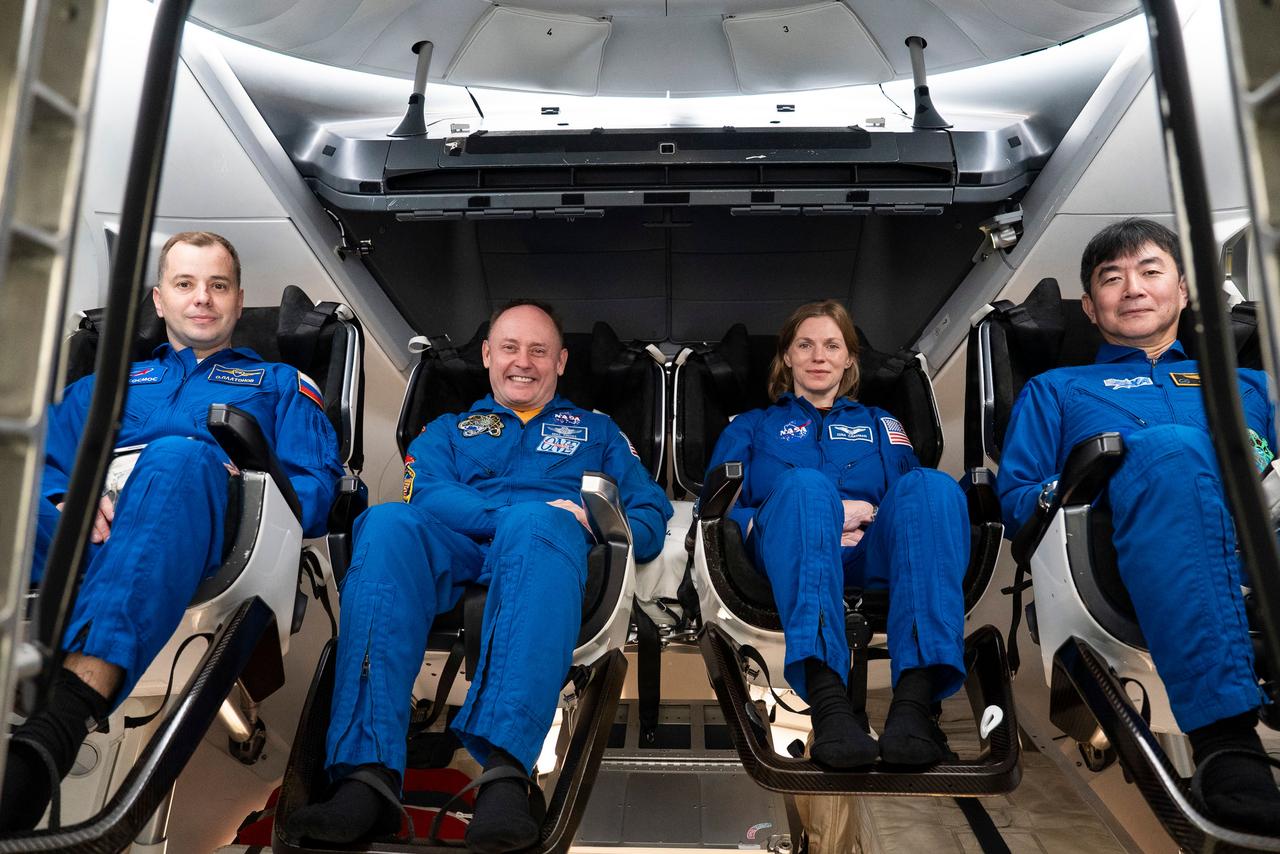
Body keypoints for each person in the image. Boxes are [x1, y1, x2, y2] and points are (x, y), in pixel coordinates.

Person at [288, 300, 672, 851]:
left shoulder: (599, 432)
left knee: (538, 523)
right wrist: (502, 517)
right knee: (387, 522)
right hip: (458, 547)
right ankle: (363, 778)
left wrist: (592, 518)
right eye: (510, 348)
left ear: (560, 362)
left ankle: (505, 779)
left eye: (539, 350)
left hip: (550, 554)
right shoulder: (446, 430)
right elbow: (427, 493)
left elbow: (651, 513)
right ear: (488, 355)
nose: (524, 361)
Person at [0, 231, 344, 830]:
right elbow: (36, 461)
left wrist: (228, 473)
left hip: (212, 540)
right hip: (84, 536)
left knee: (180, 457)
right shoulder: (101, 386)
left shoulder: (281, 385)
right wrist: (64, 498)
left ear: (239, 301)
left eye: (217, 285)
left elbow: (312, 489)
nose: (202, 299)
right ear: (160, 300)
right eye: (185, 284)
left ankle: (60, 724)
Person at [997, 217, 1280, 834]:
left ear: (1182, 291)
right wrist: (1103, 475)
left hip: (1262, 536)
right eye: (1112, 278)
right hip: (1125, 556)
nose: (1133, 287)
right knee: (1170, 451)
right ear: (1090, 308)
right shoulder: (1057, 389)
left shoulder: (1252, 385)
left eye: (1151, 271)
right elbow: (1018, 499)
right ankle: (1227, 746)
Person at [705, 300, 969, 769]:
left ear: (849, 358)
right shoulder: (752, 426)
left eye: (832, 345)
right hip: (784, 551)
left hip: (869, 553)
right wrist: (820, 514)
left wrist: (865, 517)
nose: (818, 356)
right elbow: (717, 513)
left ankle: (913, 706)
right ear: (787, 356)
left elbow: (909, 503)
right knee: (807, 487)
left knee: (933, 487)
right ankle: (829, 707)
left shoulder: (882, 425)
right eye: (805, 345)